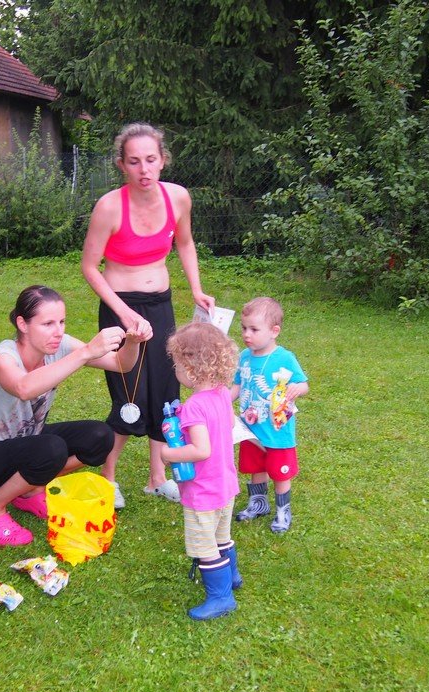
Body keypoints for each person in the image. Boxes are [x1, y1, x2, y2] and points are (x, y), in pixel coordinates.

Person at [81, 122, 215, 510]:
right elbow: (89, 267)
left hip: (161, 306)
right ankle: (108, 479)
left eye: (151, 160)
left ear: (163, 160)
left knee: (166, 393)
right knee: (131, 395)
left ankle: (157, 479)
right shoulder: (109, 207)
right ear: (122, 165)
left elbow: (185, 243)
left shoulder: (178, 198)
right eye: (134, 161)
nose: (144, 169)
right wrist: (123, 314)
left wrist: (196, 289)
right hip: (120, 307)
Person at [0, 285, 149, 547]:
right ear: (23, 324)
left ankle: (29, 490)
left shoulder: (60, 345)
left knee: (100, 437)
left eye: (61, 322)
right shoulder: (2, 357)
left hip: (26, 441)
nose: (58, 331)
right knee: (51, 449)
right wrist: (85, 352)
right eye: (48, 324)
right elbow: (24, 388)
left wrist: (133, 342)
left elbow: (121, 364)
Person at [161, 322, 240, 621]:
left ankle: (221, 598)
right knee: (222, 536)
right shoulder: (222, 394)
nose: (176, 370)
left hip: (203, 491)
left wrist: (168, 453)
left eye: (177, 363)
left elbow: (200, 450)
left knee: (205, 547)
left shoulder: (194, 406)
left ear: (191, 367)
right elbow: (230, 425)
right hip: (225, 485)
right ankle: (232, 576)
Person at [230, 297, 310, 534]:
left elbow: (303, 384)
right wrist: (221, 401)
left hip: (277, 430)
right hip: (251, 428)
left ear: (274, 331)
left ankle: (283, 510)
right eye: (244, 328)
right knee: (256, 466)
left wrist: (297, 389)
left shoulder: (284, 358)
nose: (247, 334)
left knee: (279, 470)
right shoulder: (244, 357)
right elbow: (237, 385)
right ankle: (258, 504)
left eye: (254, 329)